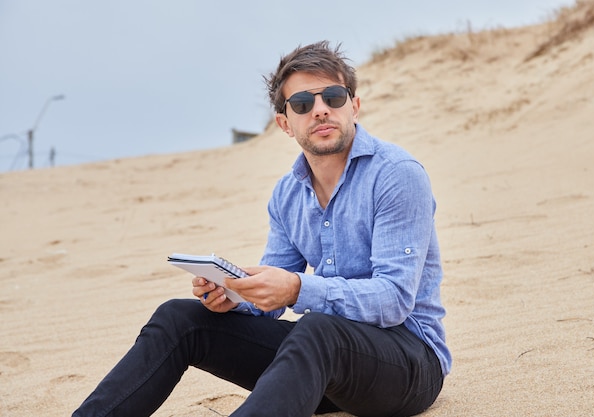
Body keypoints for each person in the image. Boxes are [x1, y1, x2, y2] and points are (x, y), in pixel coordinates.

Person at [73, 40, 451, 417]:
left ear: (354, 105)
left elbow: (394, 299)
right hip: (321, 368)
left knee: (318, 328)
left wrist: (296, 288)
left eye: (333, 97)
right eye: (303, 103)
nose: (320, 110)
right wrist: (235, 295)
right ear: (285, 123)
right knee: (179, 318)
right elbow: (270, 298)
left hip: (409, 364)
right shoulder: (288, 194)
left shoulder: (396, 175)